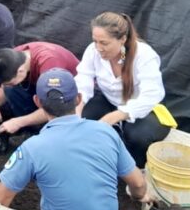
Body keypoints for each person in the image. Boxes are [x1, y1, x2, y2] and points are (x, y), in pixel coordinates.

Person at [0, 69, 153, 210]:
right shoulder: (106, 132)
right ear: (79, 99)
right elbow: (138, 184)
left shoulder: (33, 147)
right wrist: (138, 197)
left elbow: (1, 195)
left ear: (37, 103)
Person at [75, 12, 174, 169]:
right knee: (81, 121)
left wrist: (113, 117)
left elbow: (151, 94)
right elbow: (83, 80)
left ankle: (137, 169)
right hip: (110, 100)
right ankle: (92, 159)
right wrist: (77, 108)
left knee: (138, 136)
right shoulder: (92, 51)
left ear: (122, 39)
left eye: (104, 43)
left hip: (146, 107)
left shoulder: (144, 55)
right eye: (95, 41)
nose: (98, 48)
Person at [0, 41, 81, 136]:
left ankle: (44, 133)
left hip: (70, 98)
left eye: (10, 82)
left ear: (20, 71)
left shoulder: (49, 65)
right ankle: (31, 128)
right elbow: (5, 86)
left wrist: (18, 122)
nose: (7, 85)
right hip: (44, 88)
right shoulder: (15, 57)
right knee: (10, 90)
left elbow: (55, 107)